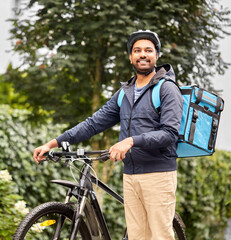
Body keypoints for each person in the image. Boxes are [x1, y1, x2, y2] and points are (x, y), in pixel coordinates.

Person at [33, 30, 183, 240]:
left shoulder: (167, 89)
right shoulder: (124, 93)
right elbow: (93, 124)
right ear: (130, 57)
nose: (143, 54)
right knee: (138, 237)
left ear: (156, 56)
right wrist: (54, 143)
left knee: (160, 236)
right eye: (137, 50)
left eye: (148, 50)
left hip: (158, 175)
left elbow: (169, 134)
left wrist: (130, 141)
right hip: (130, 175)